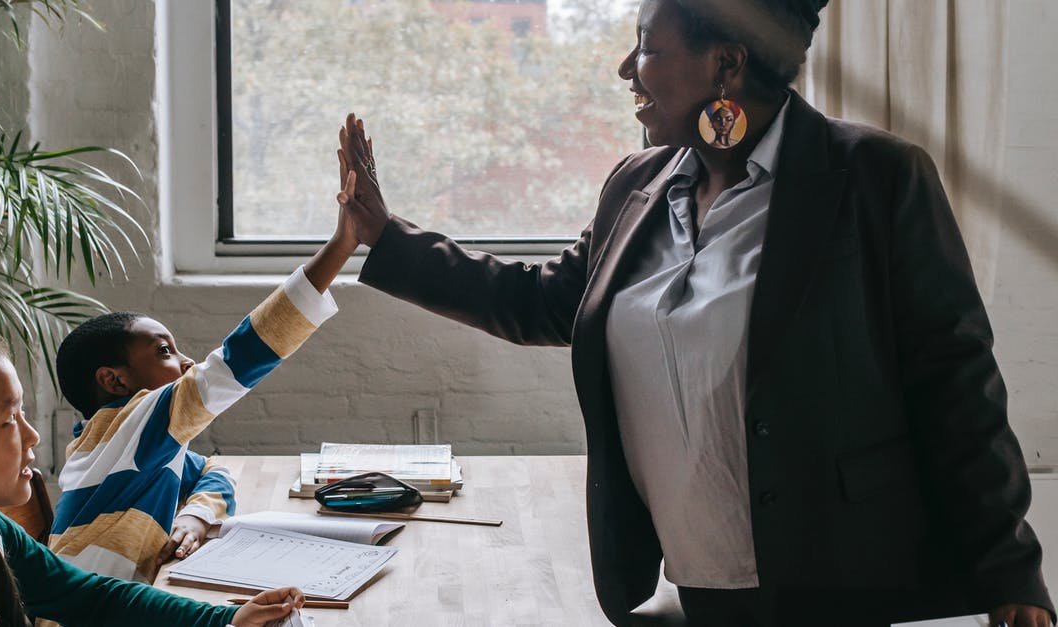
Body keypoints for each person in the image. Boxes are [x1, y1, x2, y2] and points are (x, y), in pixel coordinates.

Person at [335, 0, 1055, 625]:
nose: (627, 67)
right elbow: (546, 300)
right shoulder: (637, 185)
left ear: (727, 65)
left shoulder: (875, 179)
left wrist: (1010, 567)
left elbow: (956, 381)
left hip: (833, 580)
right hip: (688, 579)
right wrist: (388, 237)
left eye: (647, 44)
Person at [0, 329, 306, 626]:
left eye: (23, 413)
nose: (32, 435)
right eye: (7, 421)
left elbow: (91, 598)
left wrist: (225, 621)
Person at [48, 165, 359, 582]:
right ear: (116, 381)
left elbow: (213, 470)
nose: (187, 362)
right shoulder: (130, 425)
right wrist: (341, 246)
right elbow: (239, 359)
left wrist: (194, 516)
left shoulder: (126, 443)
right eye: (164, 351)